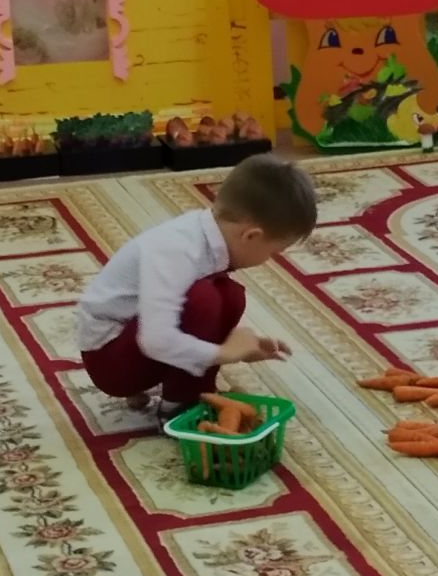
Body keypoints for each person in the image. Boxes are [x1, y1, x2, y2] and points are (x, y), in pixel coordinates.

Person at [76, 154, 316, 411]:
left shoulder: (206, 235)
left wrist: (242, 346)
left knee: (230, 294)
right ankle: (179, 406)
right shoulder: (178, 251)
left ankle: (196, 392)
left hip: (134, 337)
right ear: (251, 236)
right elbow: (155, 341)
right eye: (273, 251)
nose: (269, 259)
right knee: (204, 299)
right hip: (109, 362)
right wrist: (225, 353)